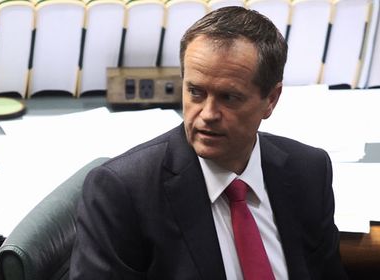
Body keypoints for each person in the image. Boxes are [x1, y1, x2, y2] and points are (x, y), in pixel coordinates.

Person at [70, 6, 347, 280]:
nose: (208, 114)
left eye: (229, 97)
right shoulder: (123, 193)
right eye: (196, 92)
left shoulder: (309, 171)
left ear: (271, 99)